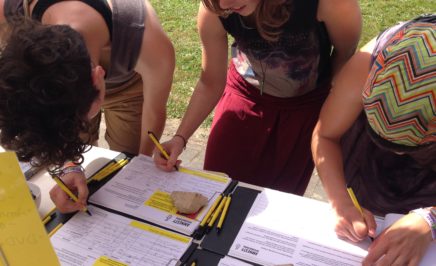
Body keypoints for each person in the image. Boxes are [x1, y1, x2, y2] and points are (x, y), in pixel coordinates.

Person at [153, 0, 361, 194]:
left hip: (305, 106)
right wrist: (180, 137)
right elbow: (210, 82)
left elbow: (345, 53)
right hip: (244, 94)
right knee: (218, 190)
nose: (224, 4)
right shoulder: (216, 6)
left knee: (279, 202)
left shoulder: (330, 4)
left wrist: (328, 107)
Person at [0, 0, 174, 213]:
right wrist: (69, 165)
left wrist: (141, 164)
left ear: (98, 76)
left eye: (81, 122)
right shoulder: (15, 8)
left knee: (128, 156)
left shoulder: (147, 41)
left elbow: (154, 111)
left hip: (130, 87)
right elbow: (51, 119)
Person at [311, 15, 435, 265]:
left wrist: (430, 219)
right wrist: (341, 202)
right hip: (368, 183)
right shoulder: (370, 62)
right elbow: (325, 135)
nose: (399, 155)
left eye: (413, 146)